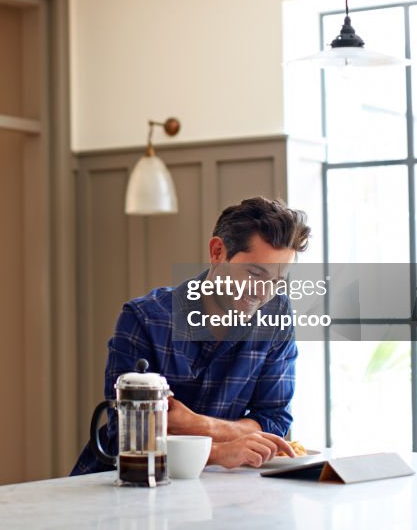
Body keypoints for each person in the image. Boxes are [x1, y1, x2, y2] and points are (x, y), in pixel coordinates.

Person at [71, 196, 311, 474]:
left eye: (277, 282)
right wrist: (219, 450)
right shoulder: (145, 318)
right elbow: (130, 433)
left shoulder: (277, 314)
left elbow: (273, 421)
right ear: (218, 251)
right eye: (256, 274)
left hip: (219, 490)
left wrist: (197, 424)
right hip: (119, 484)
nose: (263, 293)